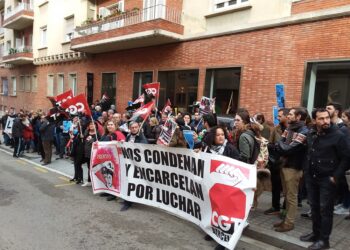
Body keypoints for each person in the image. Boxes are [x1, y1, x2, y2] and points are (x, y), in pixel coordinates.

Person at [300, 108, 349, 250]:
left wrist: (336, 176)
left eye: (327, 118)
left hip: (327, 179)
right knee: (314, 208)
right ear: (315, 120)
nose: (325, 121)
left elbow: (347, 158)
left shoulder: (338, 135)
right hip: (312, 177)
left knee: (325, 211)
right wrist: (306, 171)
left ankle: (324, 241)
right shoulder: (312, 133)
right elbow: (308, 152)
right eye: (321, 119)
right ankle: (316, 234)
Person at [203, 126, 240, 250]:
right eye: (218, 135)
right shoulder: (208, 149)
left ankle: (224, 242)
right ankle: (214, 233)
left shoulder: (231, 150)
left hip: (228, 187)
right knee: (215, 210)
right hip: (214, 186)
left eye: (222, 134)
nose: (220, 137)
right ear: (213, 137)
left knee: (226, 214)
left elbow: (240, 167)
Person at [273, 107, 309, 232]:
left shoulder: (304, 131)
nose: (288, 116)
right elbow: (280, 143)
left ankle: (289, 223)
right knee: (287, 196)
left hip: (294, 167)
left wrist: (282, 145)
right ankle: (285, 220)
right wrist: (282, 145)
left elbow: (286, 149)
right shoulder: (289, 128)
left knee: (291, 197)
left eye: (291, 114)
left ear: (299, 117)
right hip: (285, 165)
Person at [264, 108, 289, 215]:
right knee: (275, 185)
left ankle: (285, 209)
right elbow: (269, 144)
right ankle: (275, 207)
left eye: (280, 116)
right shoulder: (275, 129)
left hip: (288, 163)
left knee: (287, 188)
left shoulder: (293, 129)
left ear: (287, 116)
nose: (277, 118)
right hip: (276, 162)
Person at [122, 121, 148, 211]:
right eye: (132, 127)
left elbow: (144, 145)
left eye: (135, 127)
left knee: (133, 182)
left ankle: (128, 202)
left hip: (137, 164)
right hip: (129, 162)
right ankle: (127, 200)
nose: (134, 129)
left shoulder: (141, 136)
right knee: (128, 181)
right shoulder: (128, 136)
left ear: (138, 127)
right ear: (129, 128)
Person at [81, 121, 100, 187]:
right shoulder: (86, 132)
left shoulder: (98, 134)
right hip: (87, 153)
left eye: (93, 124)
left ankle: (96, 182)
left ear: (96, 126)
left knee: (95, 168)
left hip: (94, 154)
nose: (92, 125)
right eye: (90, 124)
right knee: (89, 167)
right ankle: (89, 181)